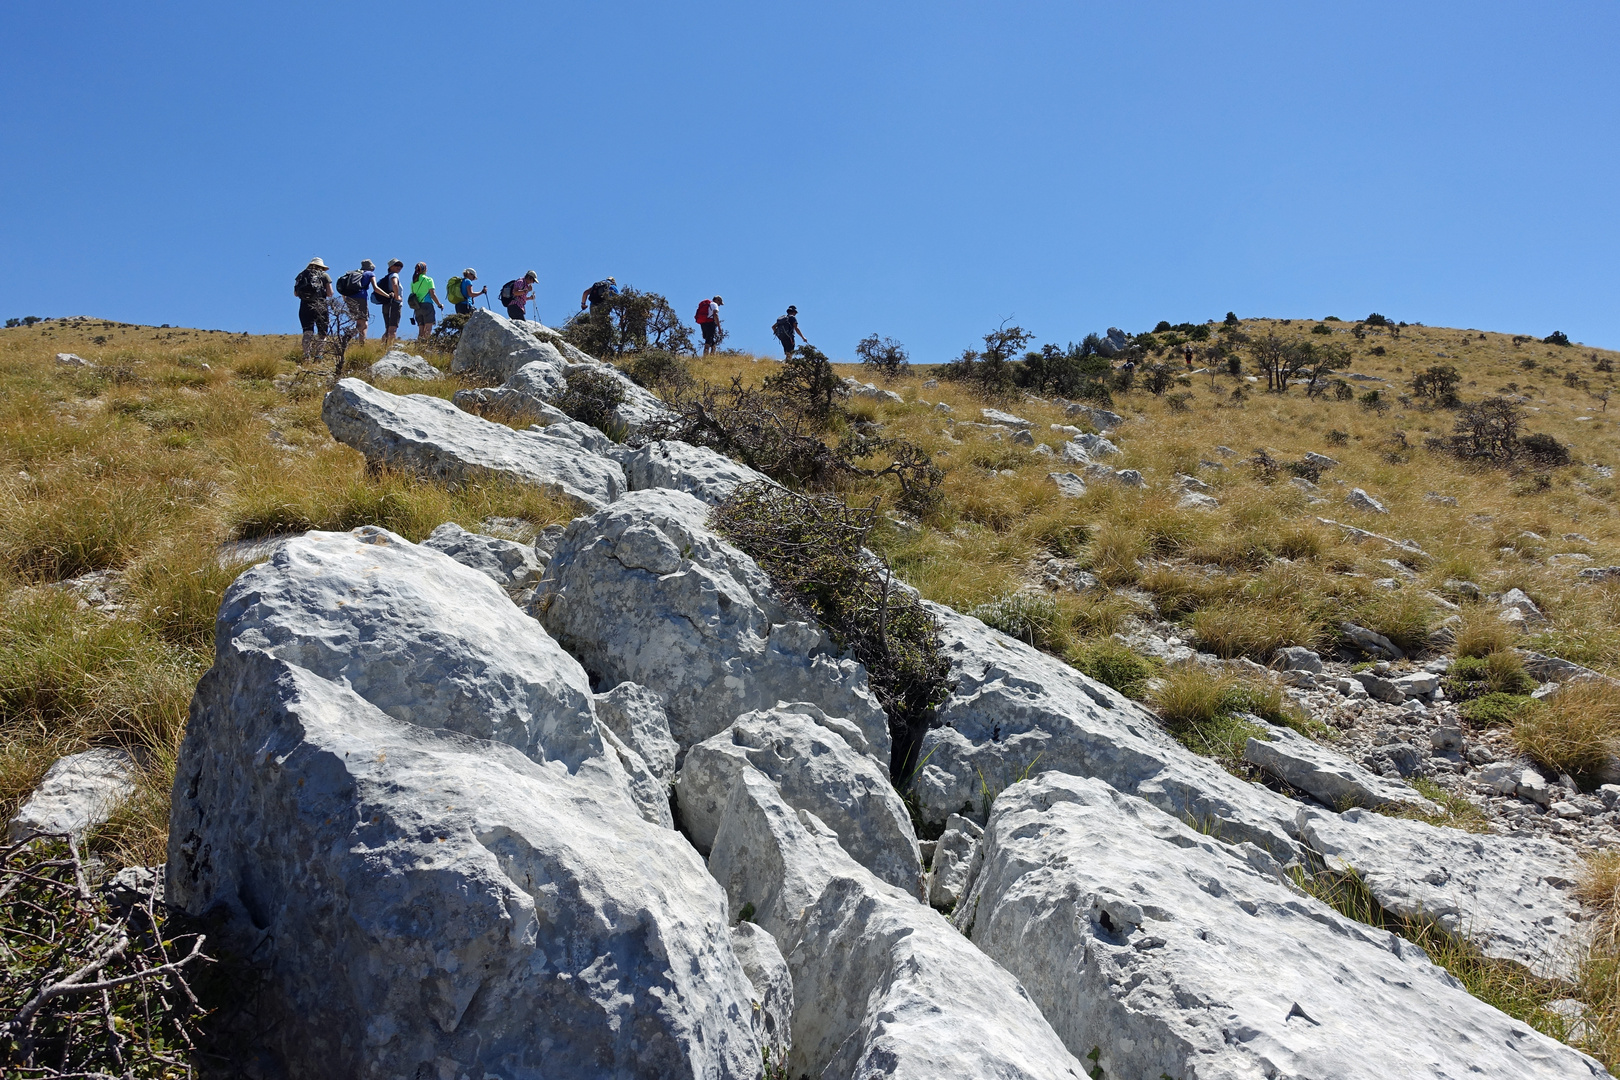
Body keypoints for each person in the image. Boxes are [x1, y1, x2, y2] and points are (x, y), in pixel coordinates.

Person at [293, 257, 332, 362]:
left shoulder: (301, 275)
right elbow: (330, 293)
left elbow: (296, 293)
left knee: (307, 332)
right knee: (322, 333)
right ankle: (319, 356)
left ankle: (306, 356)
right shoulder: (324, 275)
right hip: (320, 305)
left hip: (305, 306)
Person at [335, 260, 375, 344]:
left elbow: (344, 288)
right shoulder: (369, 274)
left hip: (349, 298)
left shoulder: (353, 274)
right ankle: (347, 336)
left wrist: (345, 299)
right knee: (362, 324)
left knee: (363, 323)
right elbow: (376, 288)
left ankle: (361, 344)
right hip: (361, 298)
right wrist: (387, 295)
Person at [374, 259, 404, 346]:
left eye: (400, 266)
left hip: (386, 303)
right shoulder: (394, 275)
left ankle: (383, 347)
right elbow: (395, 284)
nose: (399, 267)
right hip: (394, 304)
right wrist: (397, 296)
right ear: (391, 267)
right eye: (396, 265)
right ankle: (390, 348)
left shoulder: (387, 277)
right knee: (393, 328)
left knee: (387, 328)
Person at [409, 262, 442, 342]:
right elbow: (432, 294)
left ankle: (419, 346)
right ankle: (426, 346)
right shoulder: (428, 279)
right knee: (428, 329)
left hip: (417, 307)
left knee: (421, 329)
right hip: (427, 305)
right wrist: (439, 304)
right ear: (425, 269)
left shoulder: (413, 281)